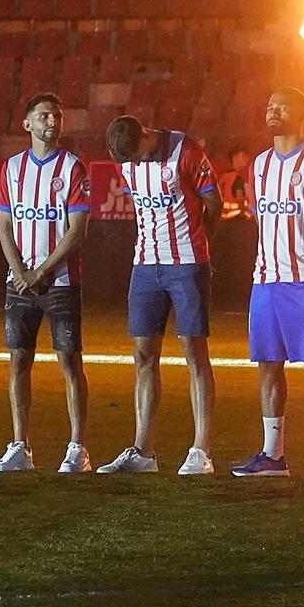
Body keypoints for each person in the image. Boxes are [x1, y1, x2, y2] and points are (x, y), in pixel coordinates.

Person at [229, 89, 304, 479]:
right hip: (265, 281)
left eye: (281, 106)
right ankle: (273, 454)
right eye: (268, 105)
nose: (272, 111)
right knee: (268, 365)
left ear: (301, 114)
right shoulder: (259, 165)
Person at [99, 116, 221, 476]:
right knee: (143, 354)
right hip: (145, 262)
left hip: (185, 263)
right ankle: (143, 452)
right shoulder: (126, 159)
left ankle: (201, 450)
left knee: (194, 352)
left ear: (148, 136)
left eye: (137, 156)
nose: (133, 165)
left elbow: (213, 202)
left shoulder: (186, 150)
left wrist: (202, 246)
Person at [0, 93, 93, 474]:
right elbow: (4, 225)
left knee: (69, 360)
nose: (52, 121)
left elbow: (77, 230)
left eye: (57, 115)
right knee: (18, 359)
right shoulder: (12, 168)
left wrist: (42, 270)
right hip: (19, 282)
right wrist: (20, 271)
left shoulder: (73, 168)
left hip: (61, 281)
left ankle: (77, 448)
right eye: (44, 115)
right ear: (27, 124)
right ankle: (20, 445)